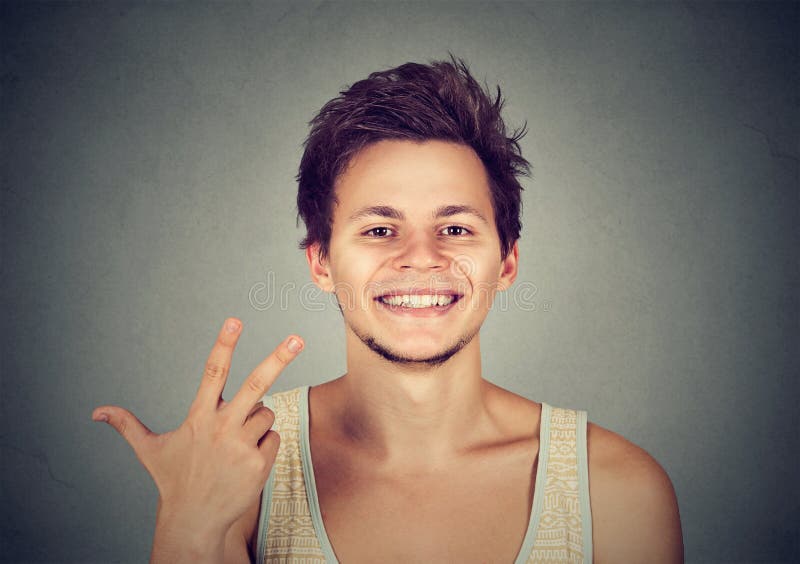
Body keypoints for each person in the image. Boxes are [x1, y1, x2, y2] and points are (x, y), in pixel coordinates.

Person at [92, 56, 684, 563]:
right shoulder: (239, 467)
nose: (421, 258)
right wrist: (186, 531)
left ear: (506, 263)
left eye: (455, 227)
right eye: (379, 230)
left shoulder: (616, 490)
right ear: (321, 263)